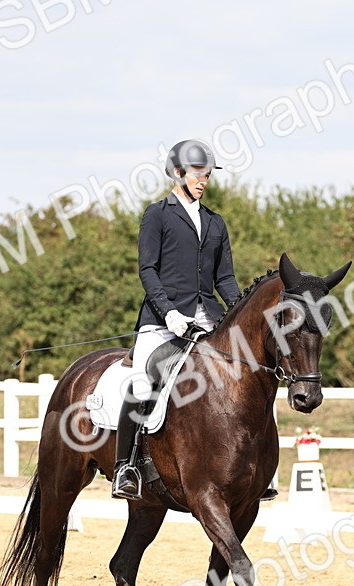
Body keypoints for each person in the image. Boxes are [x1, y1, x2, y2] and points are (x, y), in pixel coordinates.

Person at [111, 139, 242, 499]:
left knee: (246, 377)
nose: (204, 180)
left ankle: (253, 468)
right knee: (144, 381)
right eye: (199, 173)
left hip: (208, 320)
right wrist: (168, 311)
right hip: (162, 320)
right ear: (178, 172)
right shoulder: (158, 214)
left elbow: (225, 279)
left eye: (208, 174)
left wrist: (238, 311)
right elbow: (147, 270)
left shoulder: (215, 222)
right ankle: (126, 467)